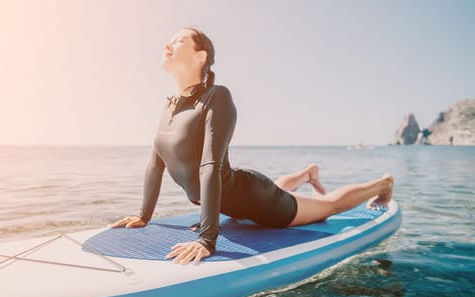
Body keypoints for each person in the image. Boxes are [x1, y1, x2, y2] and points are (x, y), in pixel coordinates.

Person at [110, 28, 393, 265]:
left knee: (327, 205)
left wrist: (207, 239)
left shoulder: (216, 97)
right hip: (234, 199)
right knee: (282, 191)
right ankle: (307, 174)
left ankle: (382, 185)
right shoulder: (170, 106)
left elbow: (209, 166)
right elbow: (155, 165)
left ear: (200, 56)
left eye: (179, 40)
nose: (167, 44)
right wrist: (143, 215)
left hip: (256, 199)